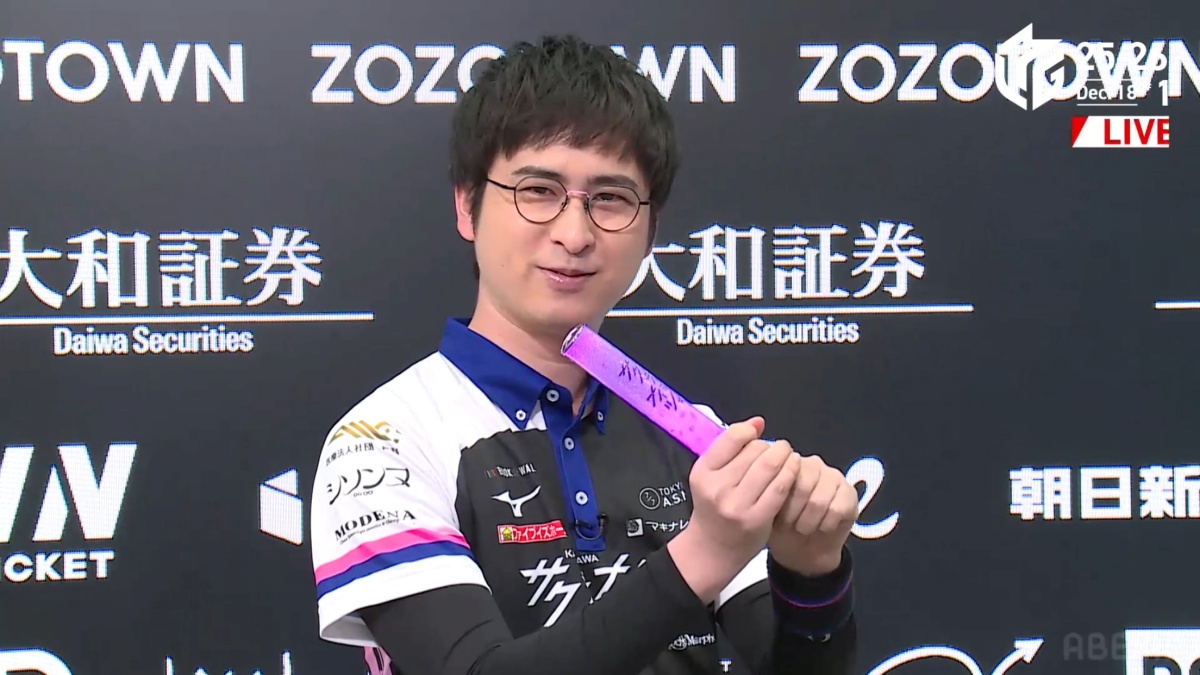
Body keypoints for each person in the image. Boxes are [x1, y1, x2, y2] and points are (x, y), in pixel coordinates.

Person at [310, 34, 860, 675]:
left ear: (651, 230)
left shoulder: (689, 431)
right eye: (538, 191)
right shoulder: (384, 442)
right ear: (467, 205)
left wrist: (812, 574)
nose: (574, 234)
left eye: (611, 199)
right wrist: (704, 553)